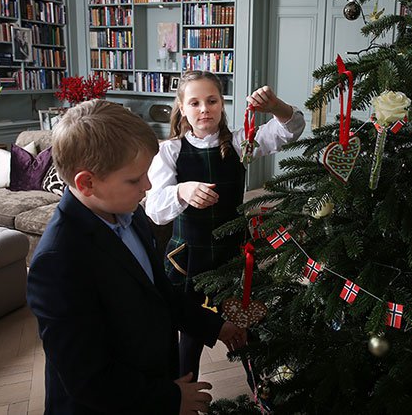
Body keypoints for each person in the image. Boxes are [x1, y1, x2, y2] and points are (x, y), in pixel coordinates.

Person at [26, 99, 247, 414]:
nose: (147, 186)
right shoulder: (59, 260)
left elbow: (159, 293)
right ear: (86, 183)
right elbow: (86, 377)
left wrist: (215, 327)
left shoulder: (128, 214)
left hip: (151, 380)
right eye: (134, 179)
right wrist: (170, 399)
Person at [145, 70, 305, 381]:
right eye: (195, 102)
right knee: (191, 334)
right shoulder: (170, 152)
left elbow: (291, 129)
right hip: (188, 260)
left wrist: (276, 106)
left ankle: (263, 391)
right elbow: (155, 209)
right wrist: (182, 191)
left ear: (221, 104)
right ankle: (184, 399)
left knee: (250, 324)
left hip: (234, 255)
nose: (204, 109)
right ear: (182, 107)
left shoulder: (240, 142)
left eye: (212, 101)